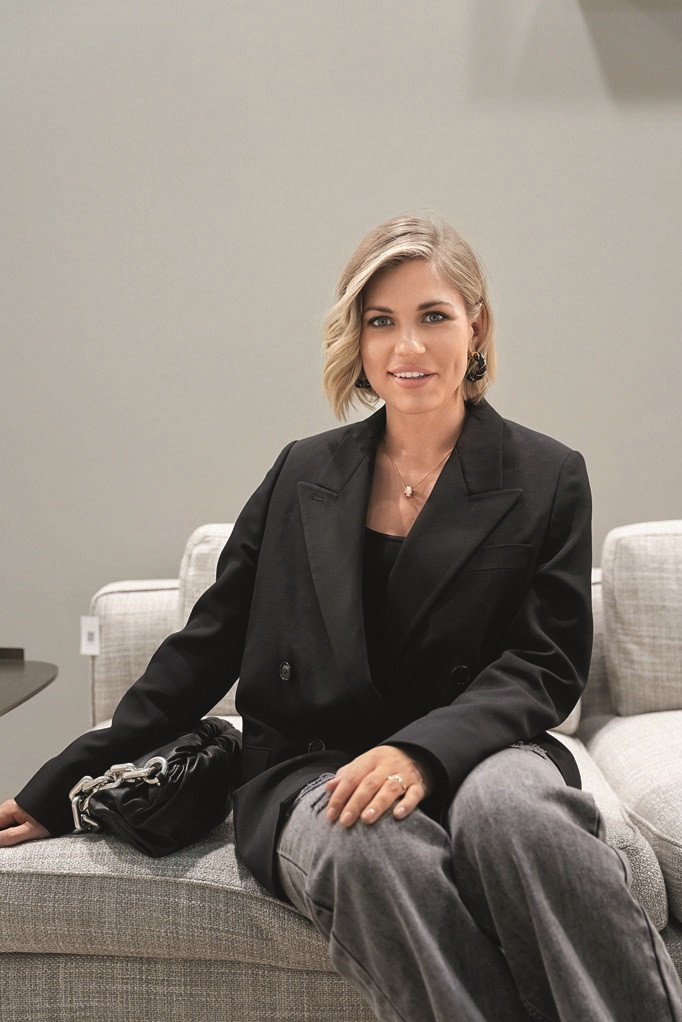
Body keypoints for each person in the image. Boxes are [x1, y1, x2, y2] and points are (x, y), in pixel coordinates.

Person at [1, 213, 680, 1021]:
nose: (408, 346)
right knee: (369, 841)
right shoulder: (302, 472)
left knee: (517, 814)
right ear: (357, 338)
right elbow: (205, 647)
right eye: (381, 321)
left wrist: (422, 752)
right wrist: (63, 781)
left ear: (476, 326)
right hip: (310, 763)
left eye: (433, 315)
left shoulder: (546, 474)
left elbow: (545, 664)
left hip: (484, 748)